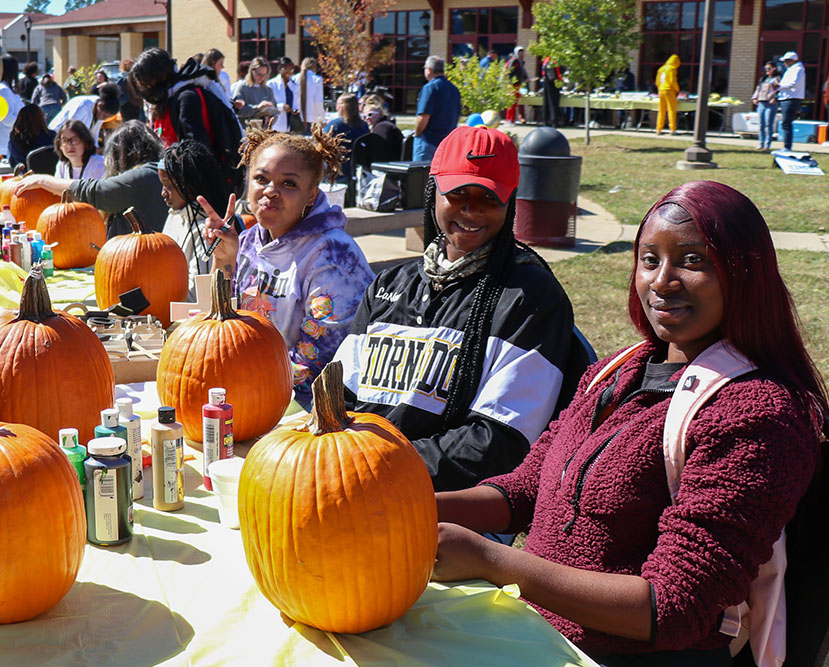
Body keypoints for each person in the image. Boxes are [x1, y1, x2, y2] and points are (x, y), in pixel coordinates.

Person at [431, 179, 829, 665]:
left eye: (693, 260)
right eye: (649, 259)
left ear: (744, 273)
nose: (661, 281)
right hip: (535, 633)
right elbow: (526, 490)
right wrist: (410, 507)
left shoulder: (758, 414)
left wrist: (492, 560)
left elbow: (674, 608)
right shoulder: (618, 371)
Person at [332, 126, 585, 491]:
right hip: (355, 479)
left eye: (489, 197)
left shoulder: (530, 300)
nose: (472, 209)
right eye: (458, 193)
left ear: (510, 202)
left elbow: (499, 442)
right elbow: (342, 397)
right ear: (432, 191)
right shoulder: (389, 285)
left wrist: (378, 467)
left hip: (449, 507)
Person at [202, 127, 375, 409]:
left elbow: (321, 360)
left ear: (311, 195)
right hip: (250, 390)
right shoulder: (247, 240)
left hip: (308, 408)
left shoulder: (333, 255)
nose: (271, 191)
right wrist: (224, 260)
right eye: (261, 178)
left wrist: (250, 386)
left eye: (289, 184)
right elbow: (224, 324)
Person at [13, 120, 167, 239]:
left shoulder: (143, 174)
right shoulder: (154, 171)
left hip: (141, 259)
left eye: (74, 140)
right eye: (64, 141)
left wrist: (42, 180)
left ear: (122, 153)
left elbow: (98, 192)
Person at [129, 48, 244, 198]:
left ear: (157, 77)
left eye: (145, 82)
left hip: (199, 192)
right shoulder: (169, 99)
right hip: (177, 188)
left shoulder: (186, 98)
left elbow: (196, 152)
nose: (145, 88)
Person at [158, 139, 237, 300]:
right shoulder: (175, 214)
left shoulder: (207, 231)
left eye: (168, 186)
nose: (163, 193)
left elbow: (198, 298)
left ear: (191, 186)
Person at [414, 56, 461, 161]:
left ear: (429, 70)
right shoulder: (454, 89)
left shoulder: (429, 88)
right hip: (447, 142)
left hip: (428, 141)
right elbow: (458, 117)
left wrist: (417, 134)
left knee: (421, 175)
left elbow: (424, 116)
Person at [0, 56, 26, 162]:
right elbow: (6, 117)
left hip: (5, 143)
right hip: (3, 145)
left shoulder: (6, 89)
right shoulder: (3, 90)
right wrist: (25, 123)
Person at [47, 83, 121, 138]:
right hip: (55, 135)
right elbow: (70, 128)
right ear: (100, 105)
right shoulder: (83, 106)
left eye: (107, 117)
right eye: (104, 115)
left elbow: (94, 135)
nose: (104, 119)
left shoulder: (100, 111)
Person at [324, 94, 369, 181]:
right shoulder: (364, 125)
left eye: (338, 104)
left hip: (338, 168)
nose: (336, 108)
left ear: (343, 107)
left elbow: (322, 144)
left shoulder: (335, 125)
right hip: (359, 167)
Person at [7, 103, 55, 168]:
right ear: (41, 118)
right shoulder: (52, 135)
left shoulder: (16, 138)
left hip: (27, 175)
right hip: (52, 175)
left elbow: (13, 162)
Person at [232, 57, 280, 122]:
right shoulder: (242, 87)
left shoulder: (268, 90)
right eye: (259, 74)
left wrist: (270, 115)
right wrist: (257, 108)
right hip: (246, 129)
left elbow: (275, 113)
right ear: (252, 71)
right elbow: (238, 111)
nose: (261, 77)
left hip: (262, 130)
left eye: (264, 75)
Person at [777, 51, 806, 151]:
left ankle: (787, 146)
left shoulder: (797, 69)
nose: (785, 63)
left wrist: (779, 85)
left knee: (787, 123)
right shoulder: (791, 69)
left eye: (786, 60)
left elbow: (793, 83)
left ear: (792, 60)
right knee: (786, 123)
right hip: (786, 97)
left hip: (791, 98)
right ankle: (786, 145)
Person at [266, 57, 302, 133]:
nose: (289, 73)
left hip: (291, 123)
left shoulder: (294, 85)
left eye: (291, 70)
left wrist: (296, 109)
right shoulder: (271, 84)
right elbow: (267, 104)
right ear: (279, 69)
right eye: (286, 70)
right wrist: (281, 106)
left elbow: (297, 102)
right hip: (276, 123)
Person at [751, 61, 779, 150]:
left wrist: (775, 98)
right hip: (761, 103)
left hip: (770, 103)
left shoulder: (777, 79)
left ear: (774, 69)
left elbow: (779, 90)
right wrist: (755, 98)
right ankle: (761, 143)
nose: (767, 70)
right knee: (761, 124)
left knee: (768, 124)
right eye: (766, 68)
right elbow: (758, 89)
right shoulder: (763, 78)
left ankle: (767, 145)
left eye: (769, 68)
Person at [294, 57, 325, 133]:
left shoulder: (294, 78)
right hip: (312, 118)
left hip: (296, 118)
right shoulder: (317, 79)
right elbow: (318, 101)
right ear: (315, 67)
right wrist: (322, 118)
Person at [655, 55, 680, 135]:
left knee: (661, 111)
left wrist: (660, 88)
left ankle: (659, 129)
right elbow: (672, 81)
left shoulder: (661, 68)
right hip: (669, 90)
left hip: (661, 90)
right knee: (671, 110)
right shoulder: (672, 69)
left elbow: (657, 82)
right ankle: (672, 129)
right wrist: (677, 89)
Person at [504, 53, 528, 125]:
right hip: (513, 85)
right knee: (512, 103)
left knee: (513, 103)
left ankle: (511, 120)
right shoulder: (514, 62)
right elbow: (509, 74)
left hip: (515, 84)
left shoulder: (519, 62)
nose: (522, 54)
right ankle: (509, 120)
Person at [541, 56, 563, 129]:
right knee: (554, 102)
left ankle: (546, 120)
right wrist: (560, 80)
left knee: (546, 101)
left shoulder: (546, 59)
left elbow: (543, 72)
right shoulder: (555, 59)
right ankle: (554, 120)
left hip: (546, 82)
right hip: (554, 82)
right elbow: (557, 71)